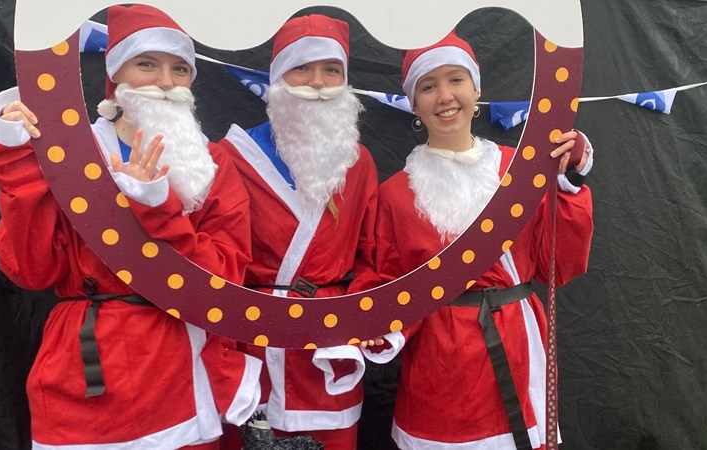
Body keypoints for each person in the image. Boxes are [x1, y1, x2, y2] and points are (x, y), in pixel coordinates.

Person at [0, 5, 261, 449]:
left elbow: (224, 277)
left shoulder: (213, 163)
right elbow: (29, 270)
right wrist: (16, 162)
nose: (166, 82)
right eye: (147, 64)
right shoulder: (74, 151)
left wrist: (159, 209)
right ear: (116, 75)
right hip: (88, 369)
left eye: (180, 68)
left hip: (181, 365)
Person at [362, 32, 594, 449]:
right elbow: (390, 283)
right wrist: (381, 327)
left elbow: (559, 266)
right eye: (428, 86)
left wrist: (568, 179)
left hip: (520, 350)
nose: (445, 96)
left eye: (456, 80)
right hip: (442, 363)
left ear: (476, 89)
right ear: (414, 104)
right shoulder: (395, 195)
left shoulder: (523, 169)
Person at [216, 14, 379, 450]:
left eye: (331, 70)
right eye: (301, 68)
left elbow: (373, 257)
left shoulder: (358, 163)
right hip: (250, 341)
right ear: (277, 80)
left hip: (326, 346)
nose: (318, 82)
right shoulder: (231, 157)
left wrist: (361, 319)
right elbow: (213, 261)